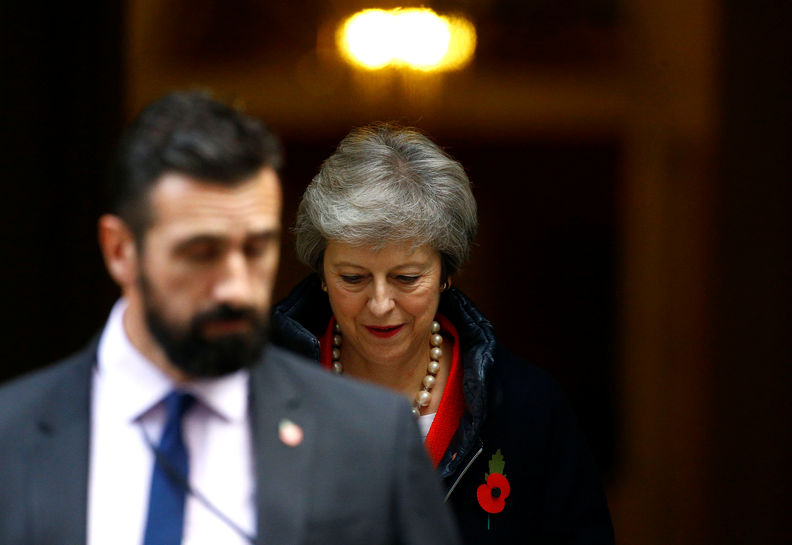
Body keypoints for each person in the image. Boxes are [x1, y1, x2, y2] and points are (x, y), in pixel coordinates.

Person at [0, 92, 461, 545]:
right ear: (120, 251)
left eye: (256, 249)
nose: (237, 287)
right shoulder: (12, 437)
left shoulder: (371, 437)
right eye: (201, 253)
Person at [271, 123, 615, 544]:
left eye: (406, 277)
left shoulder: (526, 410)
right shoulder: (253, 391)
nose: (380, 304)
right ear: (322, 275)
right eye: (353, 278)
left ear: (445, 274)